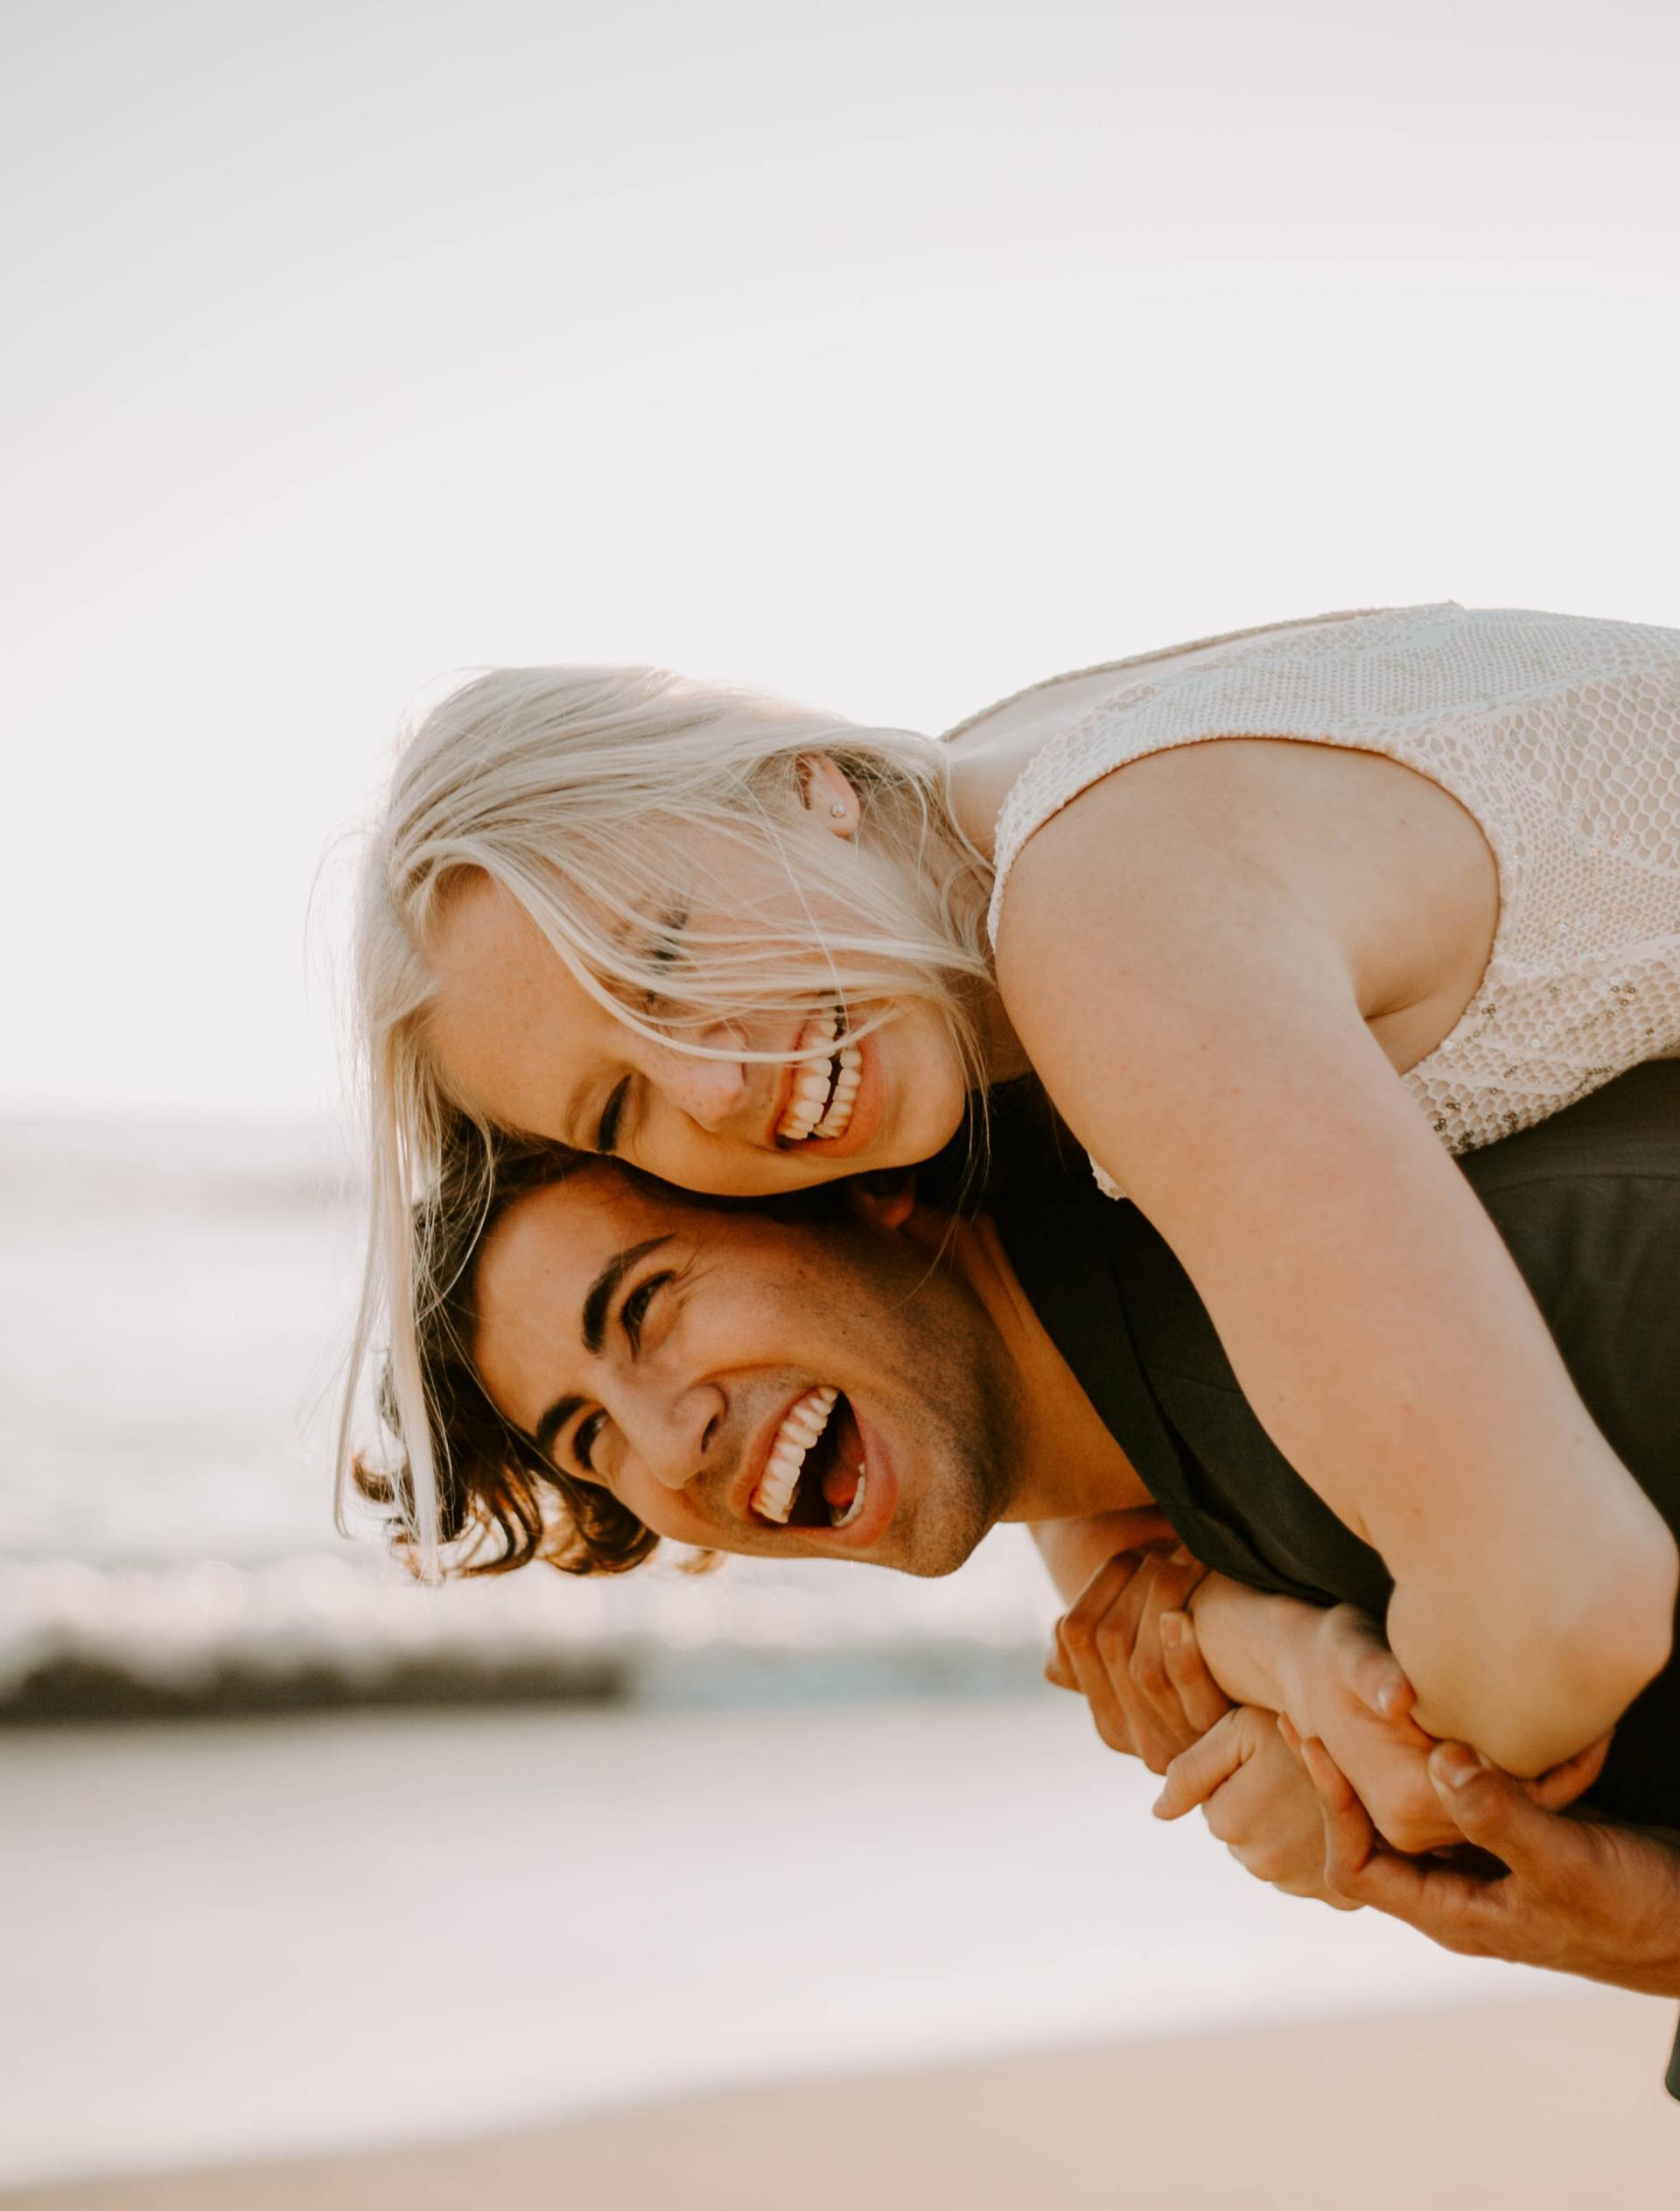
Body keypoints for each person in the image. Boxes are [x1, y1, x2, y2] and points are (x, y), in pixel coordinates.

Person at [348, 603, 1680, 1790]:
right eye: (620, 1110)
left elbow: (1560, 1610)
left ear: (803, 781)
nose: (712, 1092)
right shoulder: (968, 862)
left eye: (665, 958)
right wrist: (1235, 1629)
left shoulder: (1101, 908)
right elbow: (1086, 1483)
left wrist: (1308, 1697)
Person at [354, 1060, 1680, 2089]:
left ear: (843, 1181)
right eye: (590, 1439)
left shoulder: (1415, 1387)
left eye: (650, 1306)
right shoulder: (1214, 1457)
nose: (668, 1443)